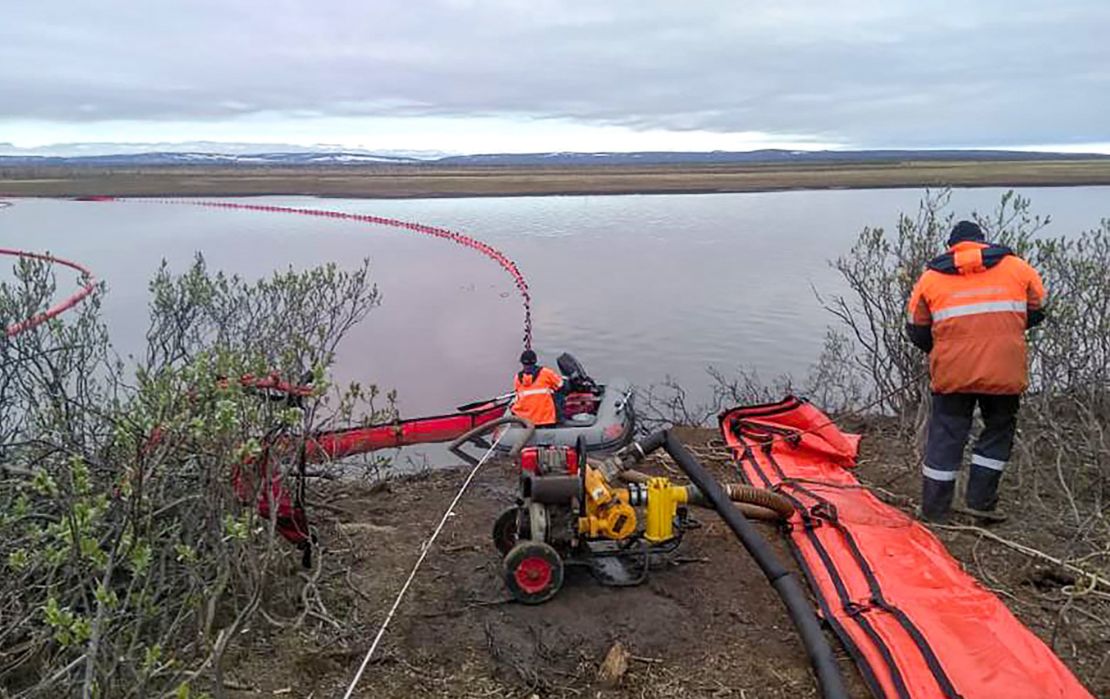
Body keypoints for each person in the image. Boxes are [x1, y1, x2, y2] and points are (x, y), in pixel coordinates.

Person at [906, 220, 1046, 523]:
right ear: (983, 242)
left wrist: (945, 347)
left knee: (946, 435)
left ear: (951, 247)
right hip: (1004, 370)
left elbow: (917, 331)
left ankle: (934, 511)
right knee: (997, 431)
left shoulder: (930, 278)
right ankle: (980, 505)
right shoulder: (1017, 268)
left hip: (953, 373)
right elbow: (1036, 311)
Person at [511, 349, 564, 427]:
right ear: (535, 361)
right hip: (546, 418)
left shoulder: (518, 378)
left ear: (522, 363)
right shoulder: (546, 373)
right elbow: (561, 385)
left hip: (525, 420)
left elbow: (518, 394)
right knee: (559, 396)